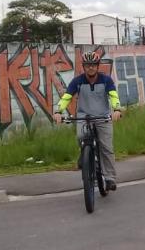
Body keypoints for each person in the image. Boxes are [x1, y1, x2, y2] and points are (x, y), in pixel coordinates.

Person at [53, 51, 123, 190]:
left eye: (93, 65)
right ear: (83, 67)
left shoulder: (106, 80)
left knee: (106, 148)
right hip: (84, 117)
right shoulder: (78, 81)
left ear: (97, 66)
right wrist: (58, 111)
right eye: (87, 65)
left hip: (103, 117)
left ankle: (109, 178)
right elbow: (66, 97)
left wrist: (116, 110)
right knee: (81, 136)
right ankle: (85, 155)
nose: (90, 68)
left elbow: (113, 96)